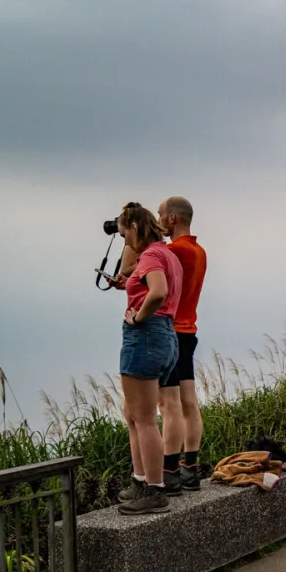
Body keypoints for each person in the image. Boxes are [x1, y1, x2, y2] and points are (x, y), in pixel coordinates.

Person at [113, 203, 183, 514]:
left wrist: (139, 318)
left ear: (136, 227)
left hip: (146, 335)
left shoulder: (152, 255)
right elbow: (154, 289)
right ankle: (140, 480)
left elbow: (158, 291)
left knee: (143, 419)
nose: (125, 241)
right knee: (133, 413)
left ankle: (155, 490)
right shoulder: (168, 255)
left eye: (125, 234)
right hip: (165, 335)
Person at [155, 197, 207, 494]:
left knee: (168, 405)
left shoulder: (173, 251)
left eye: (161, 214)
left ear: (172, 218)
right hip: (189, 332)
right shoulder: (199, 251)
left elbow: (142, 271)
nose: (159, 218)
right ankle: (191, 468)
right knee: (189, 401)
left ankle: (169, 472)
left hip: (169, 332)